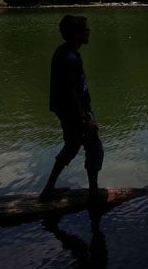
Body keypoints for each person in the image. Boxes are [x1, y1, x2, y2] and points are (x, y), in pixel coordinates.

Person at [41, 15, 104, 199]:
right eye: (85, 29)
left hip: (68, 110)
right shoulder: (69, 58)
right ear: (77, 34)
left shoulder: (64, 52)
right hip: (76, 112)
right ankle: (93, 192)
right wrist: (84, 118)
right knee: (94, 147)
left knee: (72, 145)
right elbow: (70, 91)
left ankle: (48, 188)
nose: (88, 31)